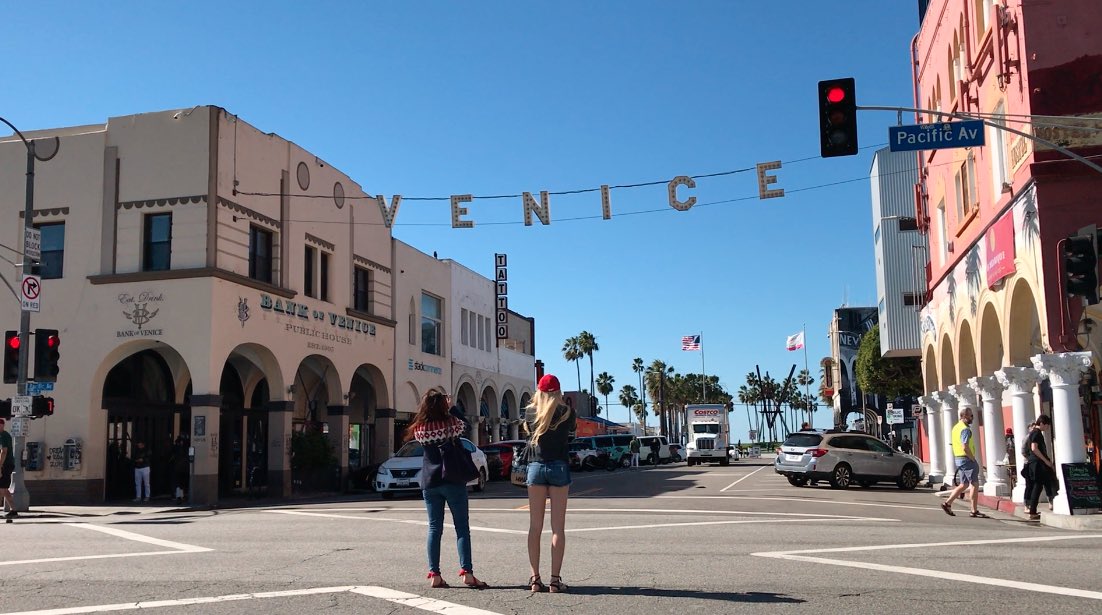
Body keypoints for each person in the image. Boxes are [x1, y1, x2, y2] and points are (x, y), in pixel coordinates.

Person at [407, 390, 489, 589]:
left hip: (430, 481)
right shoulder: (452, 424)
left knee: (434, 528)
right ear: (443, 405)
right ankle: (467, 573)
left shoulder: (419, 429)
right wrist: (452, 407)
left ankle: (434, 574)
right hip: (453, 480)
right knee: (462, 528)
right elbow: (466, 426)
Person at [524, 374, 576, 593]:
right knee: (558, 528)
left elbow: (528, 433)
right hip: (558, 467)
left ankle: (535, 579)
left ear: (540, 391)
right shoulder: (567, 412)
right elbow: (571, 437)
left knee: (535, 527)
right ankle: (555, 581)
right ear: (558, 391)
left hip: (536, 467)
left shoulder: (530, 412)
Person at [939, 407, 984, 518]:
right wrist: (972, 458)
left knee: (964, 484)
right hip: (967, 458)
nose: (972, 418)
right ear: (964, 416)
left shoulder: (955, 428)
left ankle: (947, 503)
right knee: (974, 483)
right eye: (971, 416)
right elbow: (965, 446)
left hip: (958, 458)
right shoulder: (965, 429)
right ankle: (974, 510)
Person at [1023, 415, 1055, 521]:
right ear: (1041, 423)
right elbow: (1034, 448)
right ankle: (1032, 511)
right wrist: (1046, 461)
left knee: (1039, 485)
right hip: (1037, 464)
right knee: (1038, 486)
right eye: (1046, 425)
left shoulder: (1034, 433)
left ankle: (1033, 510)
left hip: (1035, 463)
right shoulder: (1036, 433)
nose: (1046, 428)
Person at [1, 418, 16, 519]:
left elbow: (4, 452)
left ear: (2, 425)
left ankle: (13, 510)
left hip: (5, 465)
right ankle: (13, 510)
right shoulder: (4, 435)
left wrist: (0, 466)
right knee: (3, 489)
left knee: (3, 489)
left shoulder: (3, 436)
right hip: (5, 465)